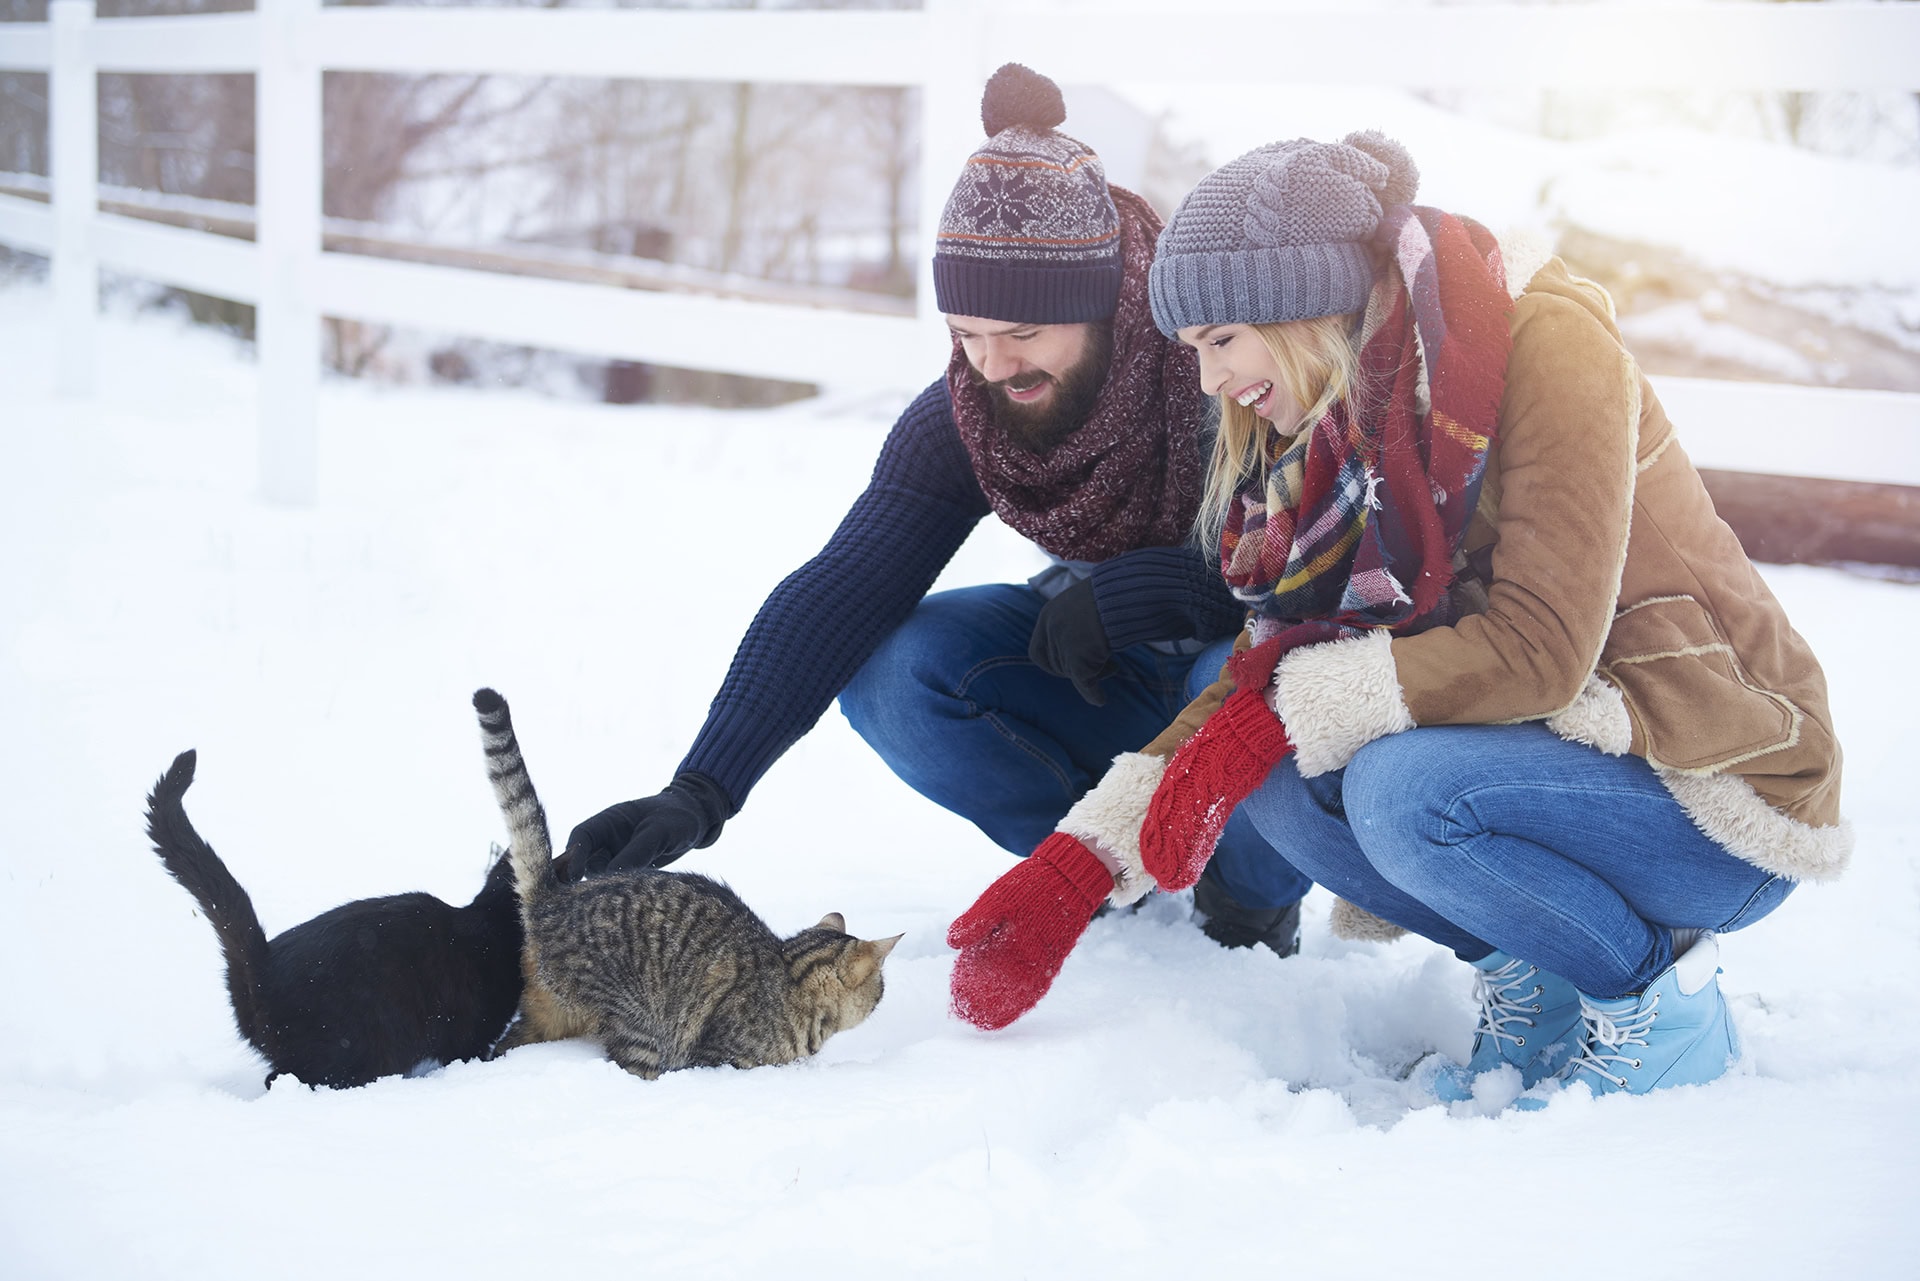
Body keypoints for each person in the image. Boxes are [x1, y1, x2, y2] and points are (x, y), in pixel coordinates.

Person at [953, 129, 1850, 1105]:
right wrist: (1075, 868)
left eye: (1221, 343)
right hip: (1556, 774)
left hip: (1710, 786)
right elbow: (1263, 671)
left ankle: (1662, 1004)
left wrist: (1299, 699)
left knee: (1398, 789)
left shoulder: (1546, 346)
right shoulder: (1326, 441)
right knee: (1280, 779)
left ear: (1301, 306)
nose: (1210, 381)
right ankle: (1539, 979)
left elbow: (1540, 652)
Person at [563, 63, 1314, 955]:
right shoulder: (971, 413)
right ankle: (1102, 873)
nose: (992, 366)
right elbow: (846, 586)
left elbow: (1324, 573)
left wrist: (1154, 589)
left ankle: (1247, 897)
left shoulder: (1218, 365)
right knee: (897, 670)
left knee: (1269, 686)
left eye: (1023, 334)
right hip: (1098, 668)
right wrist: (700, 791)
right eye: (966, 335)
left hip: (1241, 658)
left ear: (1104, 305)